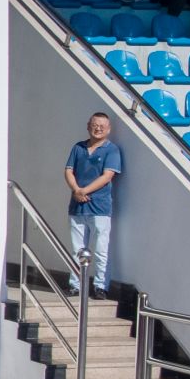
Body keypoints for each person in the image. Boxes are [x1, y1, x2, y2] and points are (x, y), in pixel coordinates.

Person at [64, 112, 122, 300]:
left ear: (108, 129)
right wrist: (76, 190)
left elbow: (107, 176)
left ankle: (100, 286)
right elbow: (69, 171)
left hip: (100, 208)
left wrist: (84, 191)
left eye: (102, 126)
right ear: (88, 126)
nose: (98, 128)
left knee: (100, 250)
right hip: (77, 208)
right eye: (95, 125)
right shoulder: (78, 148)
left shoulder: (111, 150)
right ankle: (75, 285)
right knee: (77, 250)